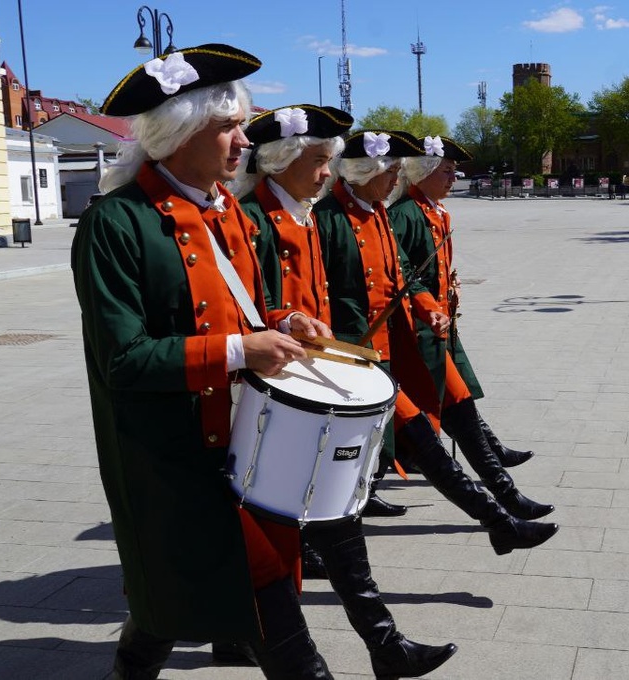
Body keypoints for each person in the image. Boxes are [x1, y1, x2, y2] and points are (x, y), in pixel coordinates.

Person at [73, 45, 337, 678]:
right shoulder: (116, 223)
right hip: (170, 456)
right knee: (266, 596)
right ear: (181, 132)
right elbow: (123, 361)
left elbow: (242, 309)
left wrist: (282, 323)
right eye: (228, 127)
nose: (244, 141)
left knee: (172, 597)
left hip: (242, 439)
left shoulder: (228, 212)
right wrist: (243, 350)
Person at [234, 105, 457, 679]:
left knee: (331, 515)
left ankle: (385, 645)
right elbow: (249, 304)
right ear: (279, 162)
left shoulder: (302, 214)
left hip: (311, 380)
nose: (325, 173)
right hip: (273, 394)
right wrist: (283, 324)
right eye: (317, 160)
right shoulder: (255, 218)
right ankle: (383, 645)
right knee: (306, 525)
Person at [315, 130, 559, 554]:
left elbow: (403, 274)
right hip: (357, 356)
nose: (397, 179)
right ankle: (501, 518)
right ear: (366, 172)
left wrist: (428, 306)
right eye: (390, 171)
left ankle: (503, 512)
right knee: (413, 443)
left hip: (402, 345)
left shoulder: (377, 213)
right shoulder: (329, 219)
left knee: (449, 421)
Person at [387, 136, 543, 515]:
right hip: (417, 333)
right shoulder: (405, 214)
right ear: (423, 173)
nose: (453, 178)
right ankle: (502, 499)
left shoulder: (434, 210)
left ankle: (500, 493)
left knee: (457, 405)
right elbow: (398, 273)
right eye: (446, 171)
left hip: (438, 327)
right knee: (452, 407)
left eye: (454, 172)